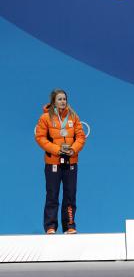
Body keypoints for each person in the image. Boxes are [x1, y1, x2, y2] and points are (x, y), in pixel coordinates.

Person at [35, 89, 86, 234]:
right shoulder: (45, 118)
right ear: (53, 102)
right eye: (59, 99)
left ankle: (69, 225)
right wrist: (57, 150)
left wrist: (73, 150)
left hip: (71, 162)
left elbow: (81, 137)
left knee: (70, 195)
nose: (63, 101)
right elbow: (40, 138)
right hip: (53, 163)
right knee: (52, 194)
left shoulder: (73, 117)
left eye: (64, 99)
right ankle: (50, 226)